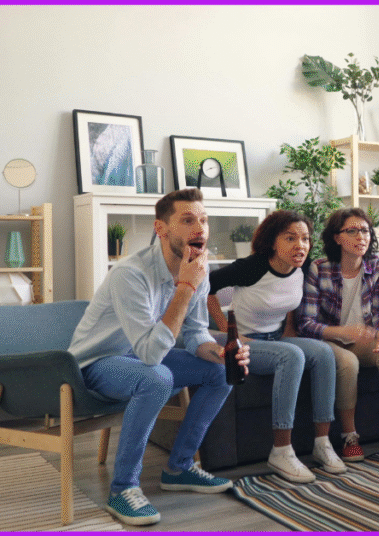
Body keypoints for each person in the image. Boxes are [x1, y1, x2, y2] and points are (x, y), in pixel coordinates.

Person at [68, 188, 251, 526]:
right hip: (96, 364)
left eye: (204, 220)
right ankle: (122, 489)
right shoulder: (130, 274)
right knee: (157, 377)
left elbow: (196, 334)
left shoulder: (197, 268)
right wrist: (185, 288)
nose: (199, 228)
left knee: (222, 371)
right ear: (161, 229)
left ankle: (180, 467)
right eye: (187, 220)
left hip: (142, 359)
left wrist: (220, 351)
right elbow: (151, 354)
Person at [207, 210, 345, 483]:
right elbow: (207, 287)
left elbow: (290, 303)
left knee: (324, 352)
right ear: (273, 242)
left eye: (305, 239)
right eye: (291, 238)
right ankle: (281, 450)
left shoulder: (302, 268)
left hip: (277, 339)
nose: (300, 245)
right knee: (292, 356)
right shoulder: (253, 266)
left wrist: (290, 333)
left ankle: (322, 443)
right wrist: (227, 330)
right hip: (245, 342)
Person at [298, 208, 379, 465]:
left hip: (365, 339)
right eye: (351, 231)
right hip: (329, 341)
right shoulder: (319, 269)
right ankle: (349, 436)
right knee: (347, 363)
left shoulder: (377, 266)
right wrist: (342, 332)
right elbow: (306, 324)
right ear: (337, 238)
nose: (360, 236)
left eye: (364, 230)